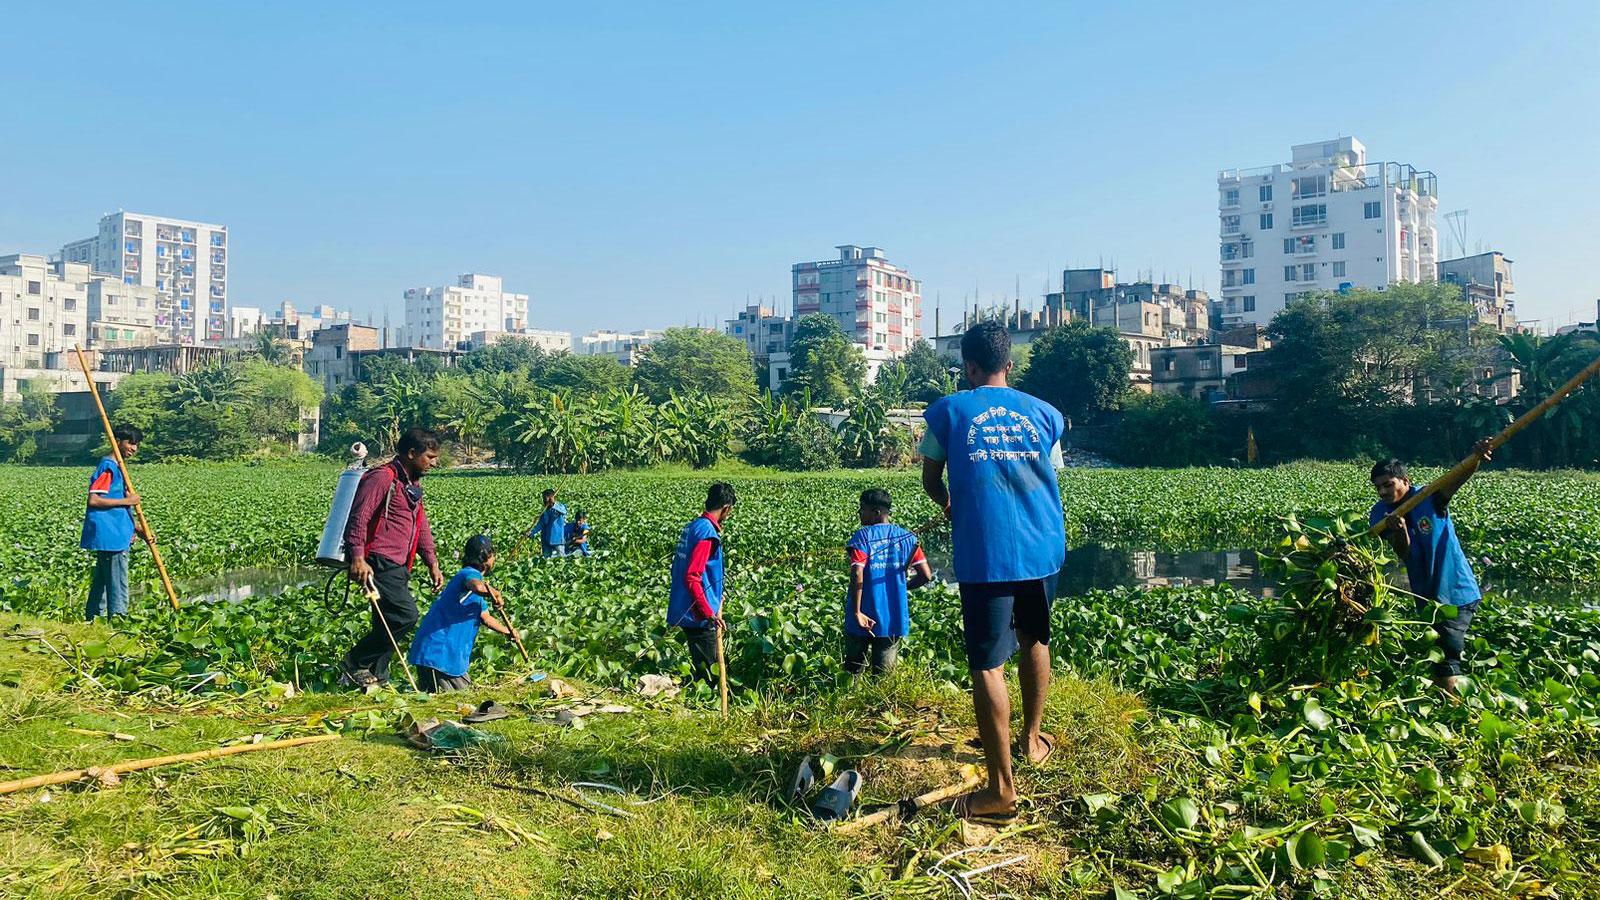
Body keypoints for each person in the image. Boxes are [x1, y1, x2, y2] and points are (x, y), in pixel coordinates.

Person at [920, 320, 1066, 822]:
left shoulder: (949, 412)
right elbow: (1049, 473)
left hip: (987, 551)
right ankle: (1031, 739)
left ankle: (1001, 792)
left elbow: (930, 478)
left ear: (970, 367)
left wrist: (951, 506)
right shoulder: (1046, 414)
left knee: (987, 663)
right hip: (1042, 546)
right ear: (1011, 364)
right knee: (1035, 638)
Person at [1369, 439, 1494, 694]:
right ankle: (1449, 703)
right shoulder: (1380, 515)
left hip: (1454, 590)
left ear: (1405, 480)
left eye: (1388, 485)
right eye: (1378, 487)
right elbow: (1403, 552)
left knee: (1447, 656)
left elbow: (1457, 479)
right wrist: (1400, 531)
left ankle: (1454, 713)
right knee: (1438, 653)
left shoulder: (1428, 496)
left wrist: (1477, 458)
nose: (1383, 492)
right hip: (1425, 596)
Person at [340, 427, 445, 689]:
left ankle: (376, 678)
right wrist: (357, 557)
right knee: (405, 615)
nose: (435, 462)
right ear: (411, 453)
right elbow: (359, 516)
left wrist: (431, 562)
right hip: (379, 560)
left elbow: (420, 526)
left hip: (399, 563)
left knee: (385, 622)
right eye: (430, 457)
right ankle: (355, 661)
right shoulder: (382, 478)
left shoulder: (411, 485)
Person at [406, 534, 515, 693]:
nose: (494, 558)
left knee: (453, 697)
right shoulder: (468, 574)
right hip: (439, 652)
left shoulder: (475, 590)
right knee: (456, 700)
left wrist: (508, 632)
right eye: (492, 554)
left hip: (443, 654)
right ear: (484, 558)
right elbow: (476, 586)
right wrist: (496, 594)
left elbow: (486, 617)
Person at [844, 488, 934, 676]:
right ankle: (880, 705)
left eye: (863, 509)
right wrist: (902, 587)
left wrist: (857, 611)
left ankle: (848, 704)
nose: (860, 513)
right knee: (883, 678)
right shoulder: (908, 538)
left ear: (876, 512)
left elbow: (857, 572)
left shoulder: (863, 537)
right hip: (892, 616)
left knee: (852, 673)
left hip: (862, 615)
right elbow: (926, 575)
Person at [666, 482, 736, 685]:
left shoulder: (693, 527)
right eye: (729, 512)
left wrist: (717, 593)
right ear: (726, 508)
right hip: (698, 614)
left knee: (707, 666)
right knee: (715, 676)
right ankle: (710, 711)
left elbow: (679, 568)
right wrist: (709, 613)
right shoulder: (707, 534)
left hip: (688, 606)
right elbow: (692, 576)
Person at [81, 424, 146, 621]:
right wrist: (129, 500)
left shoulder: (117, 466)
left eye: (137, 445)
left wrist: (137, 528)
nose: (134, 449)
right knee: (117, 581)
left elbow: (117, 508)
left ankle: (93, 619)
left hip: (116, 532)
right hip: (111, 537)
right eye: (131, 443)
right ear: (117, 441)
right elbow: (95, 500)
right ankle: (119, 622)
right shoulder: (109, 466)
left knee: (102, 579)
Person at [533, 489, 568, 558]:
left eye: (546, 498)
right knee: (546, 558)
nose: (544, 501)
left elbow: (564, 511)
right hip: (546, 539)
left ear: (551, 498)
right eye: (544, 499)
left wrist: (554, 504)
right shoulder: (544, 511)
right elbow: (540, 524)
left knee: (562, 558)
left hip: (557, 538)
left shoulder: (559, 507)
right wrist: (531, 532)